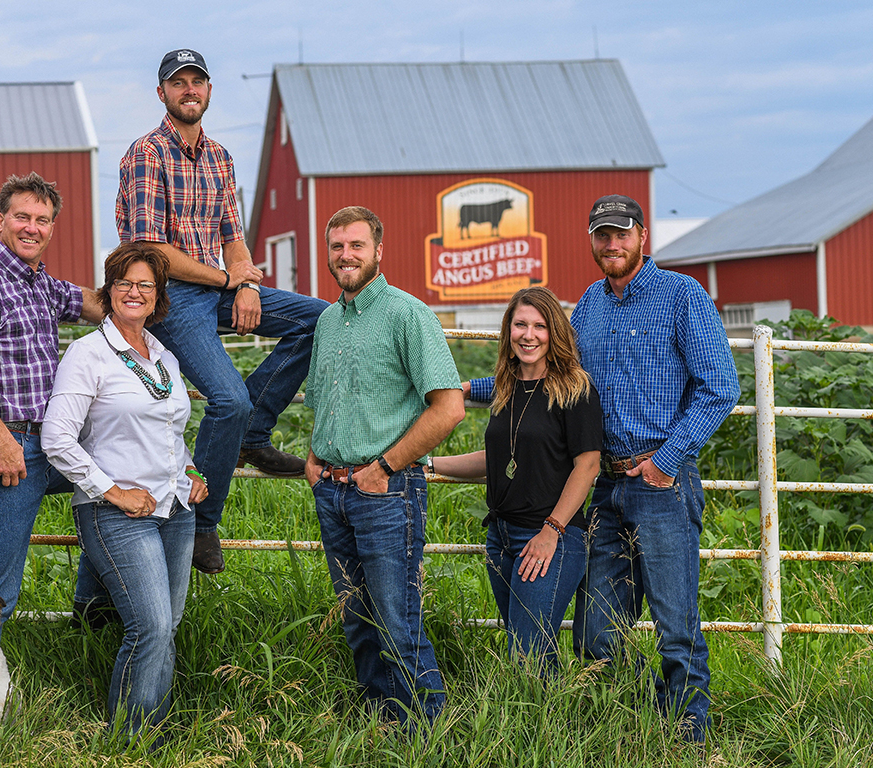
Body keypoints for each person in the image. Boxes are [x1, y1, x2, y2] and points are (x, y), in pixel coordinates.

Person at [464, 195, 739, 742]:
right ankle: (643, 715)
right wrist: (462, 390)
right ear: (592, 239)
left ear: (642, 236)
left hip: (661, 481)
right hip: (605, 485)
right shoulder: (590, 304)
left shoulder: (682, 295)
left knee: (675, 623)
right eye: (603, 235)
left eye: (622, 233)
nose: (613, 244)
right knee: (596, 633)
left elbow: (721, 387)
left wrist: (666, 460)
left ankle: (690, 734)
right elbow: (549, 375)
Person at [117, 48, 328, 574]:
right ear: (162, 93)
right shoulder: (146, 154)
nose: (189, 90)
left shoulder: (220, 158)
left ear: (209, 91)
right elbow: (149, 251)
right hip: (169, 295)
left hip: (219, 287)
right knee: (229, 399)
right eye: (179, 82)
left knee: (320, 318)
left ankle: (251, 435)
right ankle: (202, 522)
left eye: (198, 81)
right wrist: (227, 280)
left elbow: (234, 238)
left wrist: (247, 283)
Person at [304, 206, 465, 727]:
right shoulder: (328, 321)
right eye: (336, 247)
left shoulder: (407, 314)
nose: (345, 255)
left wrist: (385, 467)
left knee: (398, 620)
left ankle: (430, 728)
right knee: (356, 618)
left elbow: (449, 408)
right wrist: (315, 457)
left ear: (378, 250)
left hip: (386, 491)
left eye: (356, 245)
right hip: (333, 490)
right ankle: (382, 722)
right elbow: (324, 399)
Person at [42, 242, 207, 745]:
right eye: (124, 283)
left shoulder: (163, 355)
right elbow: (57, 438)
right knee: (150, 625)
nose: (134, 292)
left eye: (145, 285)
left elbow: (170, 429)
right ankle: (129, 740)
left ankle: (153, 734)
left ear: (158, 296)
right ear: (109, 290)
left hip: (175, 507)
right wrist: (113, 492)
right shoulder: (88, 353)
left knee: (168, 626)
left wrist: (190, 468)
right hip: (115, 512)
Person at [0, 172, 105, 634]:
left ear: (52, 227)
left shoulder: (40, 284)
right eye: (22, 217)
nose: (32, 228)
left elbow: (94, 303)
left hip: (47, 442)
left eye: (42, 219)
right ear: (1, 220)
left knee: (116, 484)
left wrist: (138, 293)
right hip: (2, 446)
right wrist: (2, 442)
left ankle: (94, 611)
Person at [433, 287, 601, 672]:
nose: (529, 335)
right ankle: (549, 709)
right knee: (526, 650)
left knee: (527, 656)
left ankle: (549, 713)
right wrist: (428, 463)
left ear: (554, 332)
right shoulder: (506, 389)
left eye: (540, 326)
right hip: (502, 537)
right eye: (520, 324)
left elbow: (588, 466)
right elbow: (496, 460)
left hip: (549, 536)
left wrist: (551, 531)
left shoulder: (575, 389)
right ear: (508, 330)